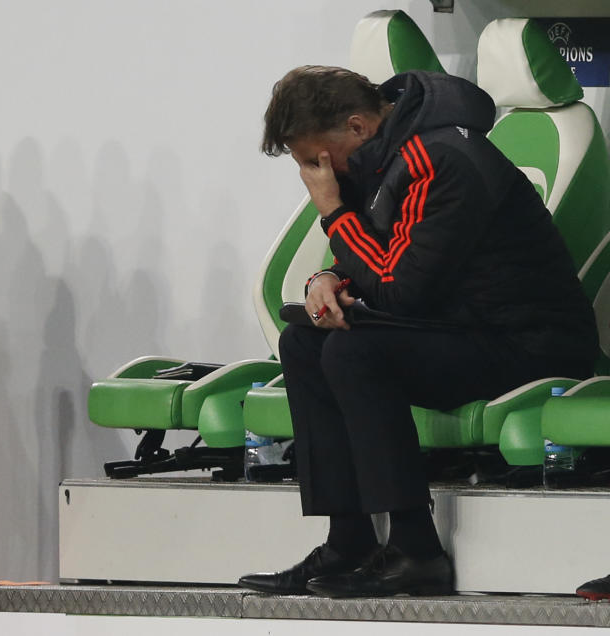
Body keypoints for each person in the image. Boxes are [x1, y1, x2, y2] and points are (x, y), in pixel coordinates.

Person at [237, 66, 598, 598]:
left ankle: (416, 550)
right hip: (462, 326)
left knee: (355, 353)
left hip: (530, 342)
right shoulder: (386, 154)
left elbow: (399, 289)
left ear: (357, 127)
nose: (317, 173)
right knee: (304, 342)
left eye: (316, 158)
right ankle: (349, 541)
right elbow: (381, 253)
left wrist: (332, 210)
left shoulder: (445, 159)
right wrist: (328, 278)